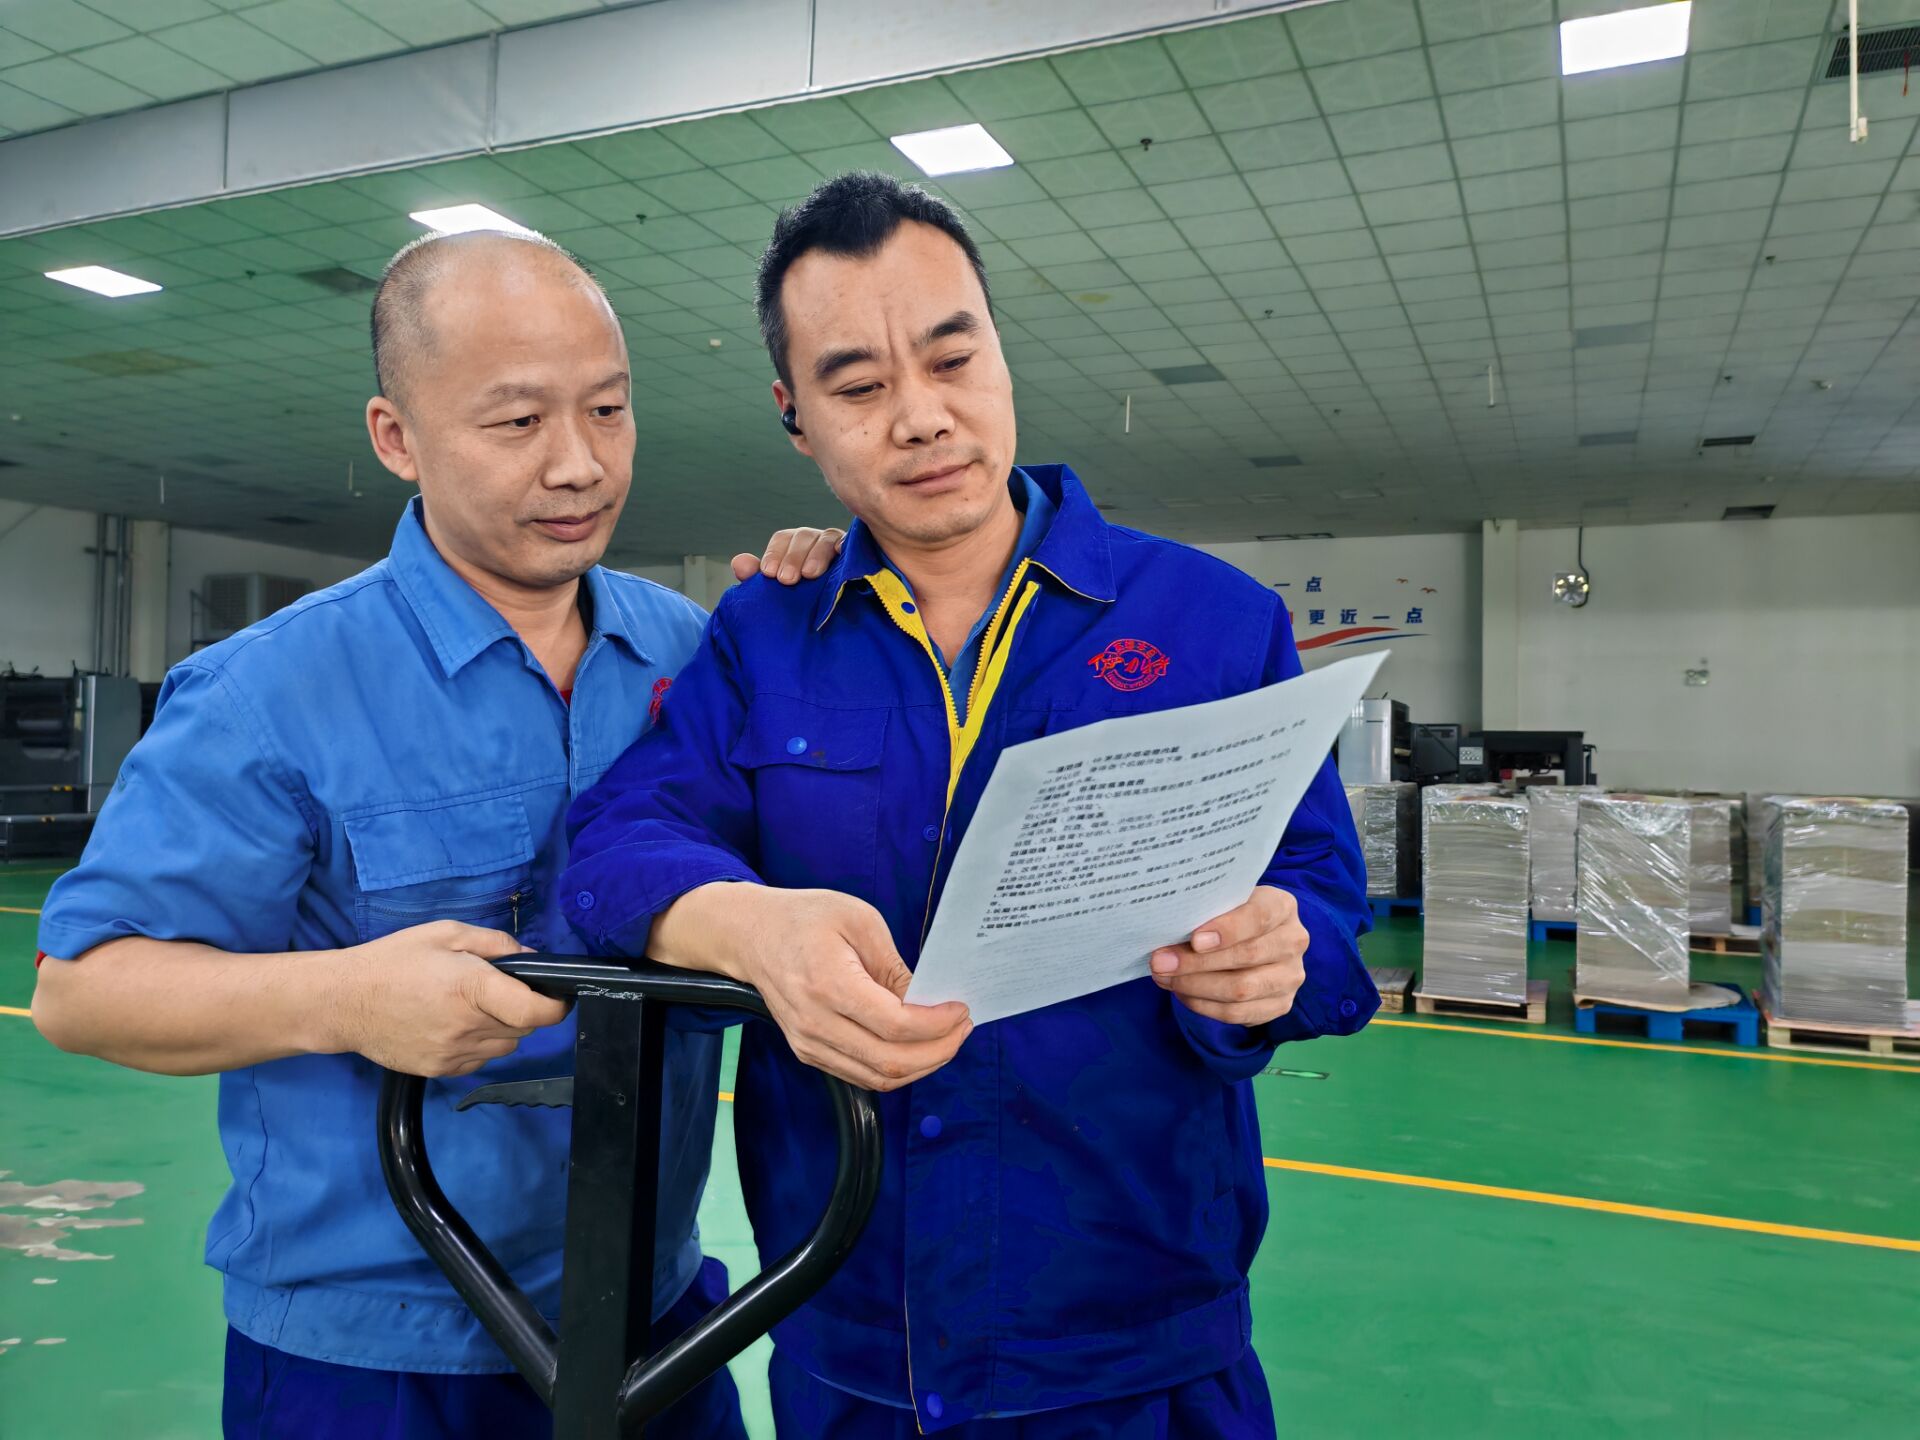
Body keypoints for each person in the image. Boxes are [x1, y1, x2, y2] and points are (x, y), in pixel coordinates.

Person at [561, 173, 1379, 1437]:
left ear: (999, 349)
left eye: (954, 359)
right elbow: (614, 848)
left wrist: (1280, 956)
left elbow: (1326, 913)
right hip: (849, 1328)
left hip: (1140, 1342)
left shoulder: (1213, 624)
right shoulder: (766, 636)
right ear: (795, 419)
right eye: (857, 387)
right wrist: (749, 929)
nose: (923, 418)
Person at [30, 227, 842, 1440]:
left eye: (609, 410)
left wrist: (831, 602)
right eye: (517, 422)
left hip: (659, 1322)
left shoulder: (692, 652)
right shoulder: (270, 691)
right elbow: (82, 990)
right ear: (396, 437)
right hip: (377, 1359)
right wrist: (346, 999)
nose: (580, 464)